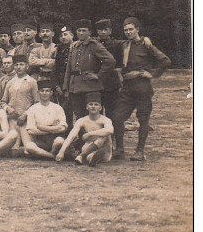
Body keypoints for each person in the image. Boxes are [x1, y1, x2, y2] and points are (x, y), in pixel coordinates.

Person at [110, 17, 172, 161]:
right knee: (117, 117)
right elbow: (108, 43)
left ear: (137, 29)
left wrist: (153, 74)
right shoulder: (124, 45)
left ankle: (140, 151)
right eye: (125, 30)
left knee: (143, 119)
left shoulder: (146, 44)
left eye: (131, 29)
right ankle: (119, 149)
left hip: (142, 87)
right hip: (127, 88)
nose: (128, 32)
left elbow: (166, 61)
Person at [64, 20, 116, 119]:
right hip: (75, 87)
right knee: (79, 116)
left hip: (91, 87)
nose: (81, 33)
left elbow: (110, 61)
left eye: (84, 30)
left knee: (93, 116)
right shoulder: (74, 46)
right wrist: (66, 87)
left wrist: (99, 75)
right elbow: (68, 69)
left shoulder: (94, 45)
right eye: (79, 30)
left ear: (90, 32)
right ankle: (82, 135)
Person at [56, 92, 114, 166]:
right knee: (90, 156)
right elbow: (71, 136)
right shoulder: (82, 120)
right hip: (88, 147)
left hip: (105, 149)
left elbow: (110, 130)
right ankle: (92, 159)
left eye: (96, 104)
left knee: (104, 136)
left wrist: (90, 133)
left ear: (100, 108)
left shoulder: (105, 120)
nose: (93, 106)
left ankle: (82, 156)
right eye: (91, 104)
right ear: (87, 107)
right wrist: (61, 151)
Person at [20, 79, 68, 159]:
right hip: (40, 142)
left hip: (54, 139)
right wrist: (52, 127)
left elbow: (63, 128)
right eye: (42, 91)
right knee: (29, 146)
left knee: (59, 141)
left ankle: (49, 153)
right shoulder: (33, 108)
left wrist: (42, 127)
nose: (45, 93)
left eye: (47, 91)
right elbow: (31, 130)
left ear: (51, 93)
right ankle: (51, 156)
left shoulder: (57, 108)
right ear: (38, 93)